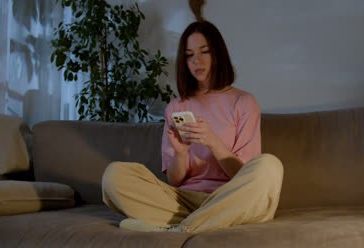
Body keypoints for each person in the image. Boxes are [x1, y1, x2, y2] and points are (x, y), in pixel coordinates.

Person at [102, 20, 283, 233]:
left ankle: (179, 229)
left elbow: (244, 176)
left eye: (204, 52)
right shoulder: (176, 107)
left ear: (218, 53)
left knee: (270, 166)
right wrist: (180, 153)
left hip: (230, 197)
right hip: (184, 201)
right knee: (114, 175)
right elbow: (175, 180)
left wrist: (213, 141)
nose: (196, 61)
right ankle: (207, 222)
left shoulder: (243, 102)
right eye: (189, 55)